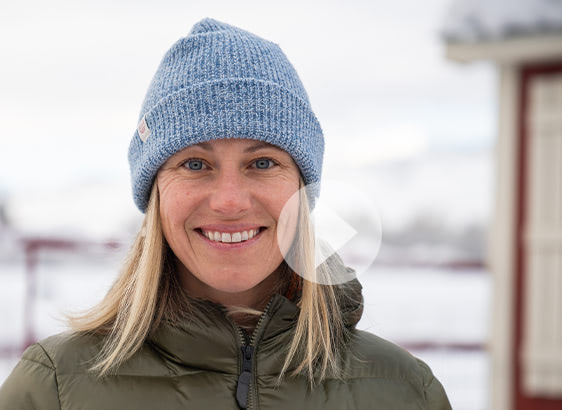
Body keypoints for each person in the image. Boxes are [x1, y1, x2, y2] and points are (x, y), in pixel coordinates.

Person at [0, 18, 451, 409]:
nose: (230, 201)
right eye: (195, 164)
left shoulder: (405, 392)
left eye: (263, 163)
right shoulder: (54, 389)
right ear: (156, 194)